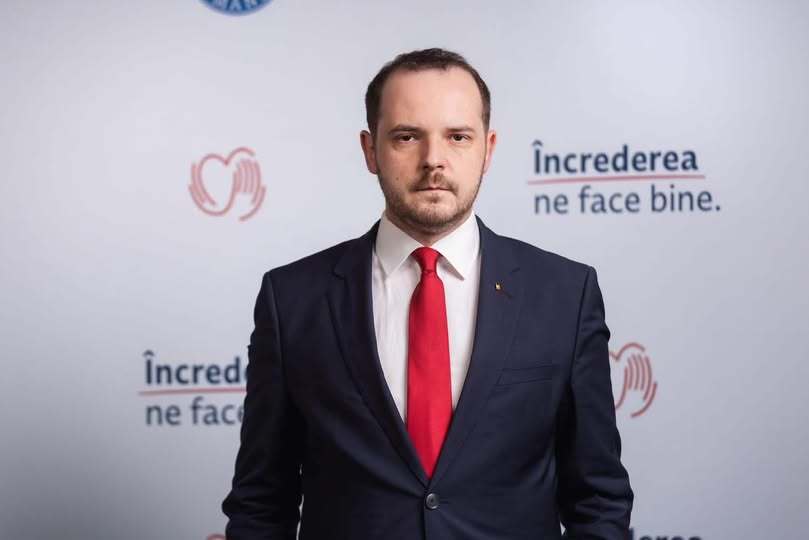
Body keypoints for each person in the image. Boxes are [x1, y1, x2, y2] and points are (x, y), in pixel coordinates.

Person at [222, 47, 633, 539]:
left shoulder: (564, 294)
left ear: (488, 149)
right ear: (370, 150)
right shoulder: (292, 299)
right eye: (407, 136)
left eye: (458, 137)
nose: (433, 160)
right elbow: (262, 503)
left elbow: (598, 499)